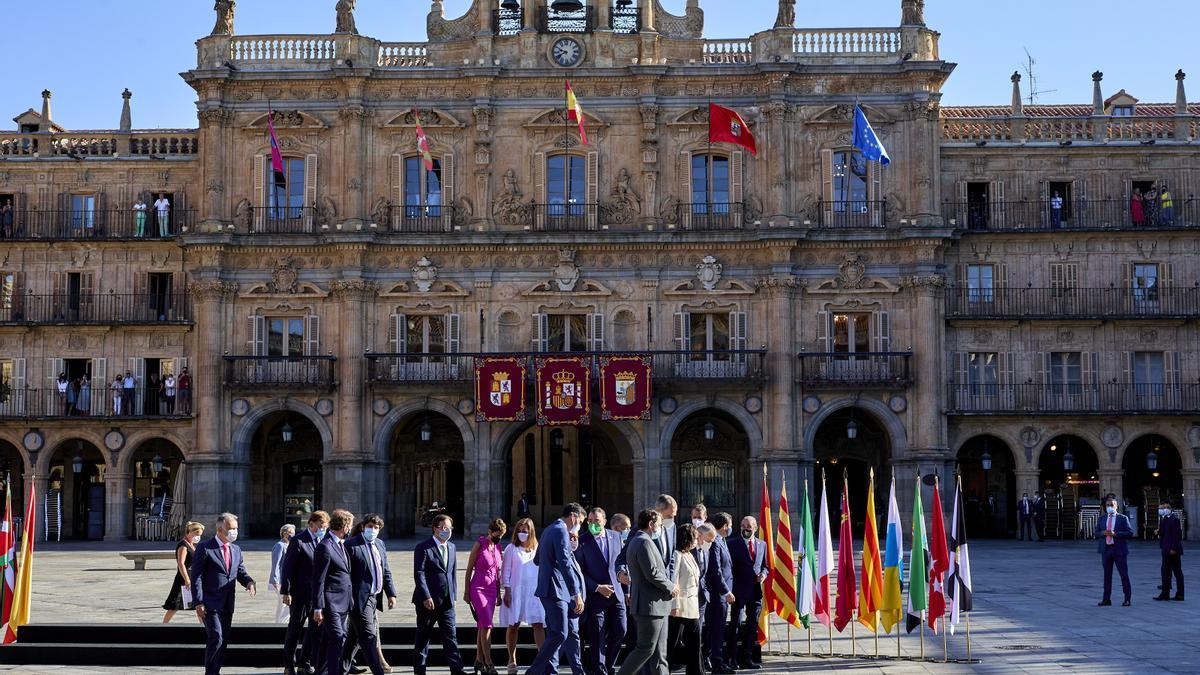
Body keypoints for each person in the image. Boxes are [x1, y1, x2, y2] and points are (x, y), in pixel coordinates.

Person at [191, 513, 256, 675]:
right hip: (209, 602)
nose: (234, 532)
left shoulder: (236, 549)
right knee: (216, 636)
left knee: (223, 640)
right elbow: (196, 577)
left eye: (236, 528)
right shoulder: (205, 548)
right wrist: (198, 602)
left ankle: (215, 670)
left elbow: (240, 572)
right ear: (220, 529)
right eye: (231, 528)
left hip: (227, 602)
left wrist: (249, 582)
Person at [527, 503, 586, 675]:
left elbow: (537, 559)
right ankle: (534, 671)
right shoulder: (561, 531)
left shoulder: (549, 529)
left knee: (556, 632)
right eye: (580, 521)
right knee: (560, 633)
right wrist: (576, 594)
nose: (579, 526)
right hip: (555, 589)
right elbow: (565, 564)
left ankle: (546, 671)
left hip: (550, 589)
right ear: (573, 516)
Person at [616, 508, 678, 675]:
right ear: (651, 524)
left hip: (655, 605)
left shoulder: (641, 540)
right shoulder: (643, 542)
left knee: (659, 654)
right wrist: (671, 586)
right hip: (649, 606)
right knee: (645, 649)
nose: (660, 528)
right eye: (658, 524)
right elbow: (653, 573)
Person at [340, 513, 395, 675]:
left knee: (353, 638)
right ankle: (378, 671)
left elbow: (385, 570)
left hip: (373, 598)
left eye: (376, 528)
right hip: (357, 599)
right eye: (370, 527)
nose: (373, 530)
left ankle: (340, 669)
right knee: (368, 636)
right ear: (363, 527)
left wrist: (391, 594)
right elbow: (344, 573)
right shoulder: (351, 544)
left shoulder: (380, 544)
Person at [412, 514, 467, 675]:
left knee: (451, 636)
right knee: (423, 637)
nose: (446, 531)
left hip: (447, 601)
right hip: (427, 601)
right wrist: (426, 596)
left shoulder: (451, 547)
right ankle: (419, 670)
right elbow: (419, 573)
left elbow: (452, 573)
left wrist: (454, 595)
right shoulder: (423, 547)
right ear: (435, 528)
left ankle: (457, 669)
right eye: (443, 528)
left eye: (449, 528)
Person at [575, 507, 626, 675]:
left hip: (617, 594)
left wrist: (627, 590)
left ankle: (608, 665)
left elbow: (622, 563)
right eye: (589, 521)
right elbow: (580, 571)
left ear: (604, 521)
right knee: (597, 635)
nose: (592, 524)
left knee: (621, 630)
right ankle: (599, 670)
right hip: (595, 596)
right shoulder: (582, 541)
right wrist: (597, 587)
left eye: (596, 520)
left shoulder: (616, 536)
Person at [281, 510, 330, 675]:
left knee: (315, 630)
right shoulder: (299, 541)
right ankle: (289, 664)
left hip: (317, 596)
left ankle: (305, 662)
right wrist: (285, 591)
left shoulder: (324, 540)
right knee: (295, 629)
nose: (323, 529)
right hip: (300, 594)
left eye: (325, 526)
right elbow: (287, 568)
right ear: (311, 524)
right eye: (321, 526)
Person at [312, 509, 358, 675]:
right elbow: (318, 580)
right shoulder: (325, 547)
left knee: (328, 641)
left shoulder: (341, 544)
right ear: (345, 526)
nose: (351, 529)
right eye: (350, 525)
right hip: (330, 603)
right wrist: (318, 608)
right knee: (338, 639)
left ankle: (321, 672)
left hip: (344, 602)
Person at [501, 518, 545, 675]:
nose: (522, 534)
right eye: (519, 531)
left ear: (531, 532)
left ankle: (542, 659)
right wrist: (506, 590)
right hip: (516, 591)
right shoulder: (511, 549)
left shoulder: (537, 549)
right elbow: (505, 571)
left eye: (525, 531)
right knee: (513, 625)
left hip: (534, 593)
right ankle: (511, 659)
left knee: (538, 624)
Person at [465, 518, 506, 675]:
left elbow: (496, 573)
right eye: (497, 534)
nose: (499, 537)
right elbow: (469, 569)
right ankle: (489, 662)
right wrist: (466, 592)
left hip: (491, 590)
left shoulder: (497, 547)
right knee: (487, 624)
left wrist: (498, 594)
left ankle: (478, 660)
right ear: (490, 532)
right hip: (478, 589)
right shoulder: (479, 544)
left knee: (482, 625)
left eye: (501, 535)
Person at [725, 516, 765, 670]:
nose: (745, 529)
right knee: (735, 624)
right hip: (738, 591)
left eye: (748, 526)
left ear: (755, 528)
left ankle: (747, 657)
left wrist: (764, 574)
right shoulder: (732, 544)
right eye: (742, 526)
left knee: (752, 624)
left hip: (755, 592)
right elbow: (728, 568)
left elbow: (765, 566)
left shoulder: (762, 545)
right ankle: (732, 658)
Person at [668, 524, 703, 675]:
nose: (697, 540)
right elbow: (674, 580)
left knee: (695, 643)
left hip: (692, 606)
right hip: (680, 607)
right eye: (695, 537)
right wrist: (673, 605)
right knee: (672, 643)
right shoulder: (677, 554)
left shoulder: (689, 554)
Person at [704, 513, 735, 675]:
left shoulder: (721, 541)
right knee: (717, 630)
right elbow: (715, 571)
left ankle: (708, 659)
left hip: (720, 595)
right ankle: (717, 663)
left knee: (716, 629)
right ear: (724, 526)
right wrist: (726, 591)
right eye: (729, 525)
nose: (730, 528)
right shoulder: (715, 542)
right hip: (717, 595)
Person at [1094, 497, 1134, 607]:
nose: (1110, 507)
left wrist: (1115, 534)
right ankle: (1106, 599)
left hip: (1119, 550)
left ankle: (1127, 598)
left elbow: (1130, 533)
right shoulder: (1102, 518)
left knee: (1123, 575)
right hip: (1106, 549)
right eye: (1108, 505)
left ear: (1117, 506)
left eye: (1112, 505)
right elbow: (1096, 533)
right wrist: (1103, 533)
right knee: (1107, 575)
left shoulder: (1123, 518)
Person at [162, 521, 204, 623]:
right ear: (190, 532)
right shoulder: (183, 545)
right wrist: (187, 579)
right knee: (174, 605)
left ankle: (204, 627)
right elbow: (181, 563)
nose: (198, 537)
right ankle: (164, 625)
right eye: (197, 534)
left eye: (200, 535)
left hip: (193, 577)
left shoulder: (192, 544)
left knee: (199, 604)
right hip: (184, 578)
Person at [1154, 499, 1184, 601]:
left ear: (1171, 509)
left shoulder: (1174, 519)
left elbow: (1177, 536)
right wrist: (1158, 532)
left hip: (1172, 549)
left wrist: (1174, 548)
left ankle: (1180, 594)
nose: (1165, 509)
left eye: (1167, 507)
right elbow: (1163, 532)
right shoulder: (1164, 519)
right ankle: (1165, 593)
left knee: (1177, 572)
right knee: (1165, 571)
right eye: (1163, 507)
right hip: (1165, 548)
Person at [271, 524, 295, 624]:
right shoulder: (280, 545)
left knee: (283, 604)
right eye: (290, 533)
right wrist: (275, 581)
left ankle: (280, 622)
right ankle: (280, 623)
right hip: (280, 581)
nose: (292, 535)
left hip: (288, 580)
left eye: (293, 532)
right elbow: (275, 564)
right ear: (284, 533)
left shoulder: (290, 544)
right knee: (285, 603)